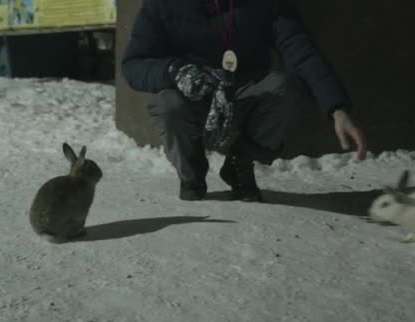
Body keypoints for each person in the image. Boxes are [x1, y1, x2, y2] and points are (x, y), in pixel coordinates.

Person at [121, 0, 367, 202]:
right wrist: (174, 71)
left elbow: (301, 52)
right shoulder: (161, 4)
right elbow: (133, 65)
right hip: (192, 93)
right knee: (168, 103)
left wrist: (337, 109)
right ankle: (191, 174)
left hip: (243, 90)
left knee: (284, 88)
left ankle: (241, 164)